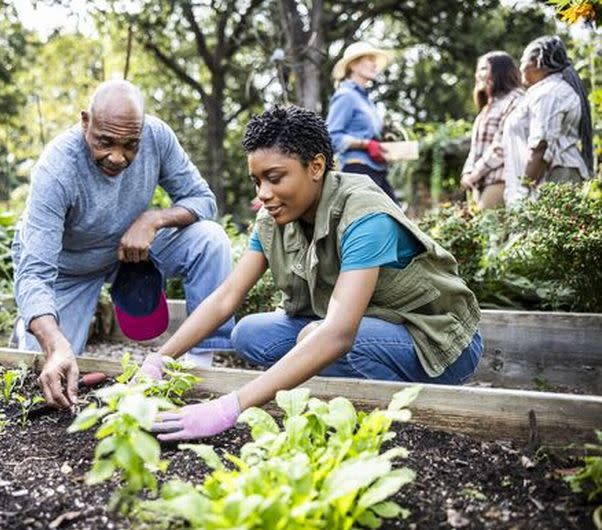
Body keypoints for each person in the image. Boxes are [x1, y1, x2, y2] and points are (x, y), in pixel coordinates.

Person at [144, 105, 483, 442]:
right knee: (249, 334)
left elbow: (337, 334)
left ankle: (396, 418)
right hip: (367, 326)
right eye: (257, 181)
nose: (263, 193)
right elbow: (225, 298)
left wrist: (229, 407)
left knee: (322, 339)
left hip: (436, 343)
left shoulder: (364, 215)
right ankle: (342, 388)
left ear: (316, 166)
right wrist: (159, 360)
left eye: (275, 178)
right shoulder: (273, 220)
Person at [12, 80, 234, 410]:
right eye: (106, 142)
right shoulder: (57, 169)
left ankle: (200, 365)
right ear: (85, 121)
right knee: (41, 378)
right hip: (67, 269)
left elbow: (202, 199)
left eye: (131, 144)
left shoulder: (157, 136)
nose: (117, 156)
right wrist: (54, 342)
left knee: (210, 239)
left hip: (130, 251)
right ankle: (30, 335)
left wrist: (154, 219)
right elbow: (33, 273)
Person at [502, 35, 592, 205]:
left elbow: (541, 145)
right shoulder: (548, 90)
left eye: (522, 61)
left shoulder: (548, 93)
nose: (520, 67)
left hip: (552, 179)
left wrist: (523, 190)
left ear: (536, 62)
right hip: (548, 178)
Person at [325, 41, 398, 203]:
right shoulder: (345, 96)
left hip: (376, 171)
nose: (374, 65)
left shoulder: (367, 101)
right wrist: (365, 144)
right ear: (353, 65)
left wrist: (384, 147)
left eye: (375, 61)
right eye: (369, 59)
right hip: (357, 170)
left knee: (397, 217)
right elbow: (331, 137)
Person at [460, 51, 524, 210]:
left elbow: (501, 145)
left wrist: (475, 173)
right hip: (480, 182)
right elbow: (475, 149)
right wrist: (467, 173)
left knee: (488, 231)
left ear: (500, 71)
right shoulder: (487, 107)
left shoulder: (515, 99)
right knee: (477, 231)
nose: (478, 74)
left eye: (483, 69)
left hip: (500, 180)